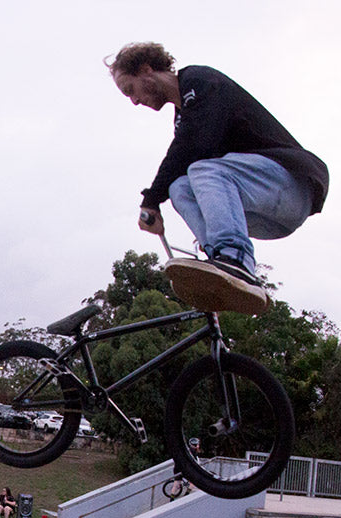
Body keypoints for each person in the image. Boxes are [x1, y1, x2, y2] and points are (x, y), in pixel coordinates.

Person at [108, 42, 328, 316]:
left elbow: (194, 145)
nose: (135, 101)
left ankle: (234, 257)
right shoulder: (184, 115)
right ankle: (222, 266)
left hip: (292, 185)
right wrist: (156, 199)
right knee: (181, 187)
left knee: (203, 169)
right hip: (267, 216)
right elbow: (184, 153)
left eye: (131, 90)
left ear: (146, 69)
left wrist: (151, 199)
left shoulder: (201, 81)